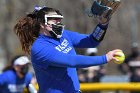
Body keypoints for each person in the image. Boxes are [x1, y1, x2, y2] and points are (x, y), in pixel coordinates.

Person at [13, 6, 121, 93]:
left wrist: (103, 24)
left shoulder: (63, 35)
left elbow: (92, 41)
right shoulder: (39, 48)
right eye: (53, 20)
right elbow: (72, 61)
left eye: (59, 19)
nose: (58, 22)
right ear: (42, 23)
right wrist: (104, 58)